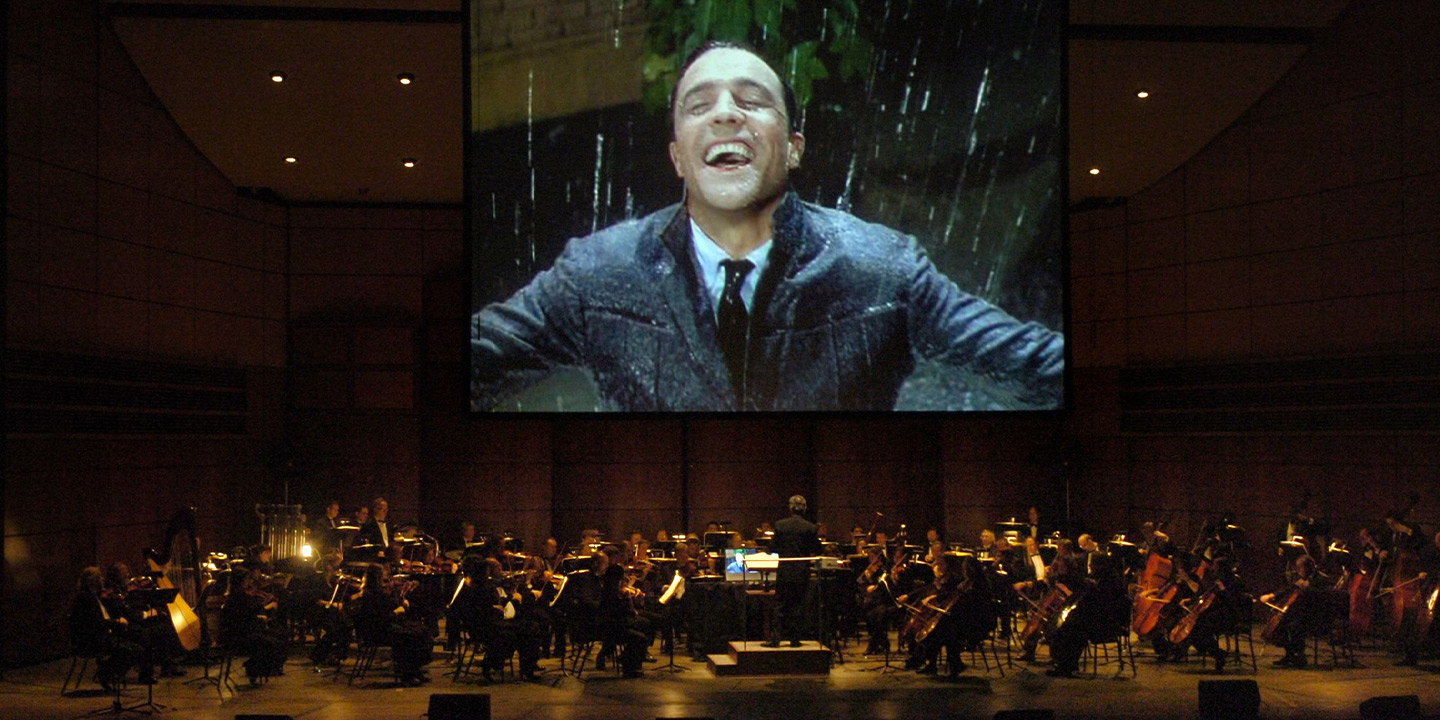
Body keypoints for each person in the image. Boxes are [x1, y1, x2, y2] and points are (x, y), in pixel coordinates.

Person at [471, 41, 1063, 412]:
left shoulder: (885, 271)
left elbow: (1038, 362)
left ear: (795, 148)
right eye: (699, 106)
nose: (726, 111)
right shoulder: (597, 272)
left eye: (752, 100)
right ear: (678, 157)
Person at [765, 495, 821, 647]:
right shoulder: (810, 527)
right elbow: (816, 549)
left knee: (780, 604)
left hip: (785, 569)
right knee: (798, 604)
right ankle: (795, 639)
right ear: (804, 508)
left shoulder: (780, 525)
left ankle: (776, 638)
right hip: (802, 571)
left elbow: (772, 548)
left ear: (790, 508)